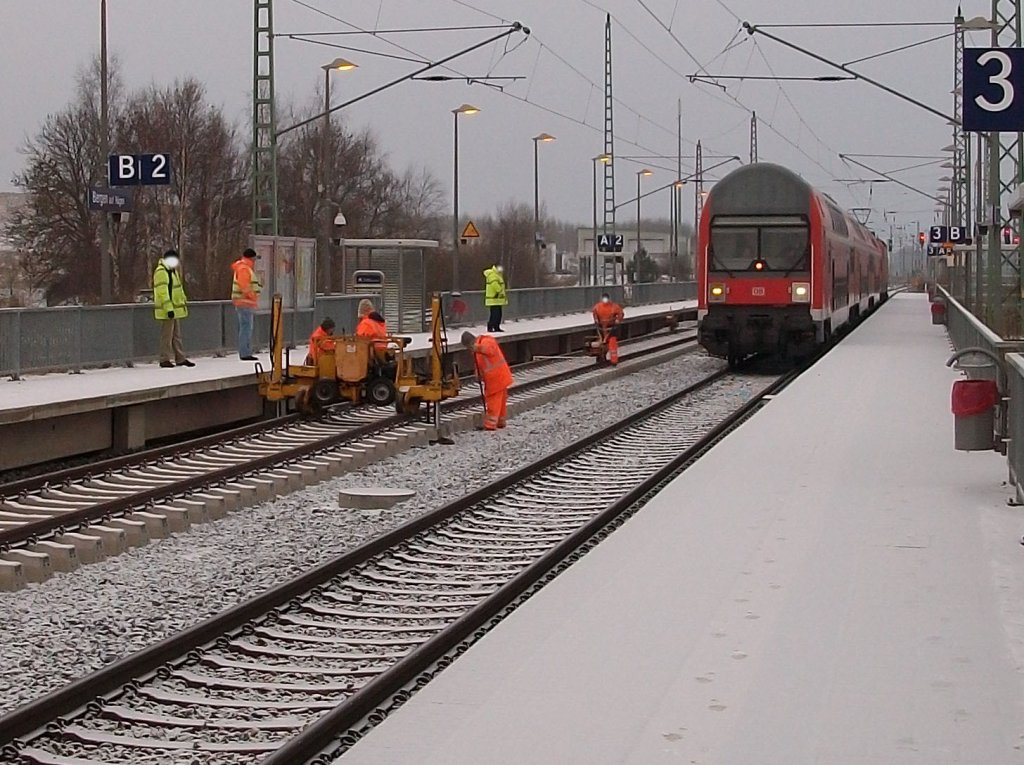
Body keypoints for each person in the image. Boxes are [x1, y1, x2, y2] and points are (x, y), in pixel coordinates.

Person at [461, 330, 513, 431]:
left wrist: (477, 348)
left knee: (493, 401)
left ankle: (490, 424)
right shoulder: (476, 351)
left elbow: (490, 350)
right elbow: (480, 363)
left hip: (496, 378)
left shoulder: (486, 341)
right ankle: (500, 422)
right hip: (499, 377)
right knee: (500, 402)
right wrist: (478, 373)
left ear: (472, 342)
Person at [152, 249, 194, 368]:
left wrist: (182, 301)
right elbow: (162, 292)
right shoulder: (162, 272)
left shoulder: (171, 271)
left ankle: (180, 358)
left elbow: (177, 290)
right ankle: (164, 358)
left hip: (174, 310)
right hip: (168, 310)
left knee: (176, 335)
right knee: (167, 335)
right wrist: (168, 308)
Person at [231, 247, 262, 361]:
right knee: (246, 328)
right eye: (254, 259)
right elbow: (245, 286)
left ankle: (245, 351)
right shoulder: (244, 269)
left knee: (245, 327)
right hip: (245, 302)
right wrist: (253, 296)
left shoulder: (242, 267)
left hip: (243, 302)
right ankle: (245, 353)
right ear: (251, 258)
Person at [591, 292, 625, 365]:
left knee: (612, 344)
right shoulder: (598, 306)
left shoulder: (614, 306)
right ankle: (600, 357)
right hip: (601, 328)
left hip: (611, 328)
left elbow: (620, 313)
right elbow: (594, 313)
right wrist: (596, 320)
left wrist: (618, 320)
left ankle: (614, 360)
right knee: (600, 343)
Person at [483, 263, 507, 332]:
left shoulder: (498, 275)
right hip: (494, 298)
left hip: (497, 299)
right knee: (494, 314)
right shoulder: (492, 275)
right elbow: (494, 284)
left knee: (498, 314)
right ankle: (490, 326)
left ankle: (496, 327)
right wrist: (500, 291)